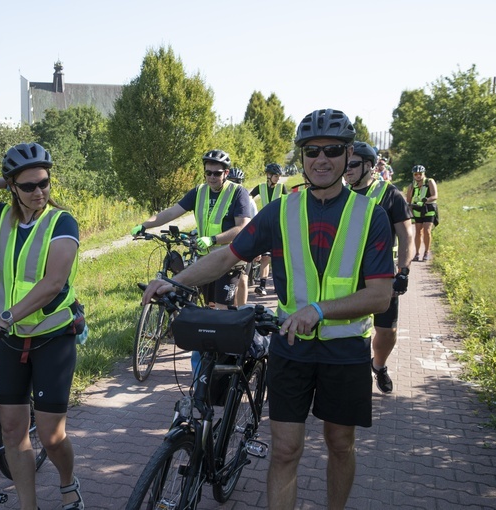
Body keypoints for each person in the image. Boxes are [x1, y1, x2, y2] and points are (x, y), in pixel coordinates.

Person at [143, 108, 394, 509]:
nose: (322, 159)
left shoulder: (371, 215)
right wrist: (176, 281)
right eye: (312, 151)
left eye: (332, 149)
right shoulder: (282, 210)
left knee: (341, 444)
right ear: (302, 158)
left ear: (349, 155)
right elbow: (229, 256)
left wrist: (319, 309)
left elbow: (381, 295)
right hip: (291, 346)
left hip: (345, 348)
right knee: (284, 450)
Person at [0, 142, 83, 510]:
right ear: (12, 188)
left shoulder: (62, 222)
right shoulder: (3, 218)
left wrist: (5, 318)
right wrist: (5, 178)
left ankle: (69, 482)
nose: (39, 191)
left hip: (52, 338)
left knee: (53, 438)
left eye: (44, 182)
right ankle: (28, 506)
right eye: (28, 186)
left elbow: (53, 282)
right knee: (11, 430)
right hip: (11, 341)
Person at [130, 149, 252, 310]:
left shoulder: (237, 192)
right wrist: (144, 225)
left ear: (226, 173)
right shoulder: (199, 191)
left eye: (217, 173)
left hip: (228, 259)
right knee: (210, 306)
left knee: (223, 310)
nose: (212, 177)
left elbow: (242, 227)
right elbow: (172, 212)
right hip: (206, 260)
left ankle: (236, 331)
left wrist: (212, 239)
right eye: (208, 173)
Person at [346, 141, 414, 394]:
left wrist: (404, 271)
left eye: (353, 164)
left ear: (369, 166)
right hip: (346, 274)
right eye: (345, 163)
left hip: (383, 276)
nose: (346, 169)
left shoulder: (390, 194)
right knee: (347, 329)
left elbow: (407, 236)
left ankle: (380, 366)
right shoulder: (339, 194)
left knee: (386, 332)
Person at [249, 163, 288, 296]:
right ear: (269, 176)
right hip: (265, 225)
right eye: (275, 176)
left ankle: (279, 283)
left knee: (278, 257)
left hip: (278, 226)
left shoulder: (282, 188)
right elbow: (248, 199)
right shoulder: (260, 187)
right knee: (265, 257)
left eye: (279, 176)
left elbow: (289, 203)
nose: (278, 178)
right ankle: (262, 285)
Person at [227, 167, 257, 306]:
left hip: (245, 244)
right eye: (231, 181)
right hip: (227, 247)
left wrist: (257, 248)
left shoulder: (248, 201)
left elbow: (256, 223)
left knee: (243, 279)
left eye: (237, 182)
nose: (234, 185)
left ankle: (242, 310)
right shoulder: (223, 199)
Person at [406, 165, 438, 261]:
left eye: (420, 174)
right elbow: (409, 202)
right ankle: (417, 253)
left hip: (429, 208)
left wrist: (425, 200)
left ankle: (426, 252)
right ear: (413, 175)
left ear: (424, 174)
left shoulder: (430, 182)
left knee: (427, 230)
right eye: (416, 174)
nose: (418, 176)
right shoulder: (411, 186)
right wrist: (411, 215)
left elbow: (435, 196)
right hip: (417, 210)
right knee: (418, 231)